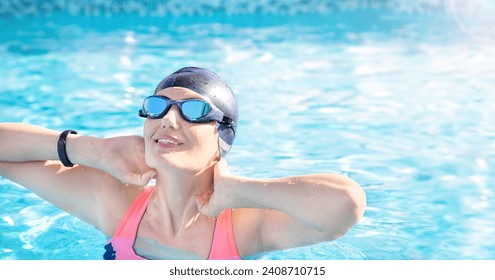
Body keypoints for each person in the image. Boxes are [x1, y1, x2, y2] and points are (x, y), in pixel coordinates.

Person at [0, 67, 366, 260]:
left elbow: (344, 204)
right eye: (157, 107)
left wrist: (238, 191)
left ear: (222, 139)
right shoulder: (114, 203)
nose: (169, 120)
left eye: (194, 111)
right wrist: (89, 150)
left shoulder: (245, 226)